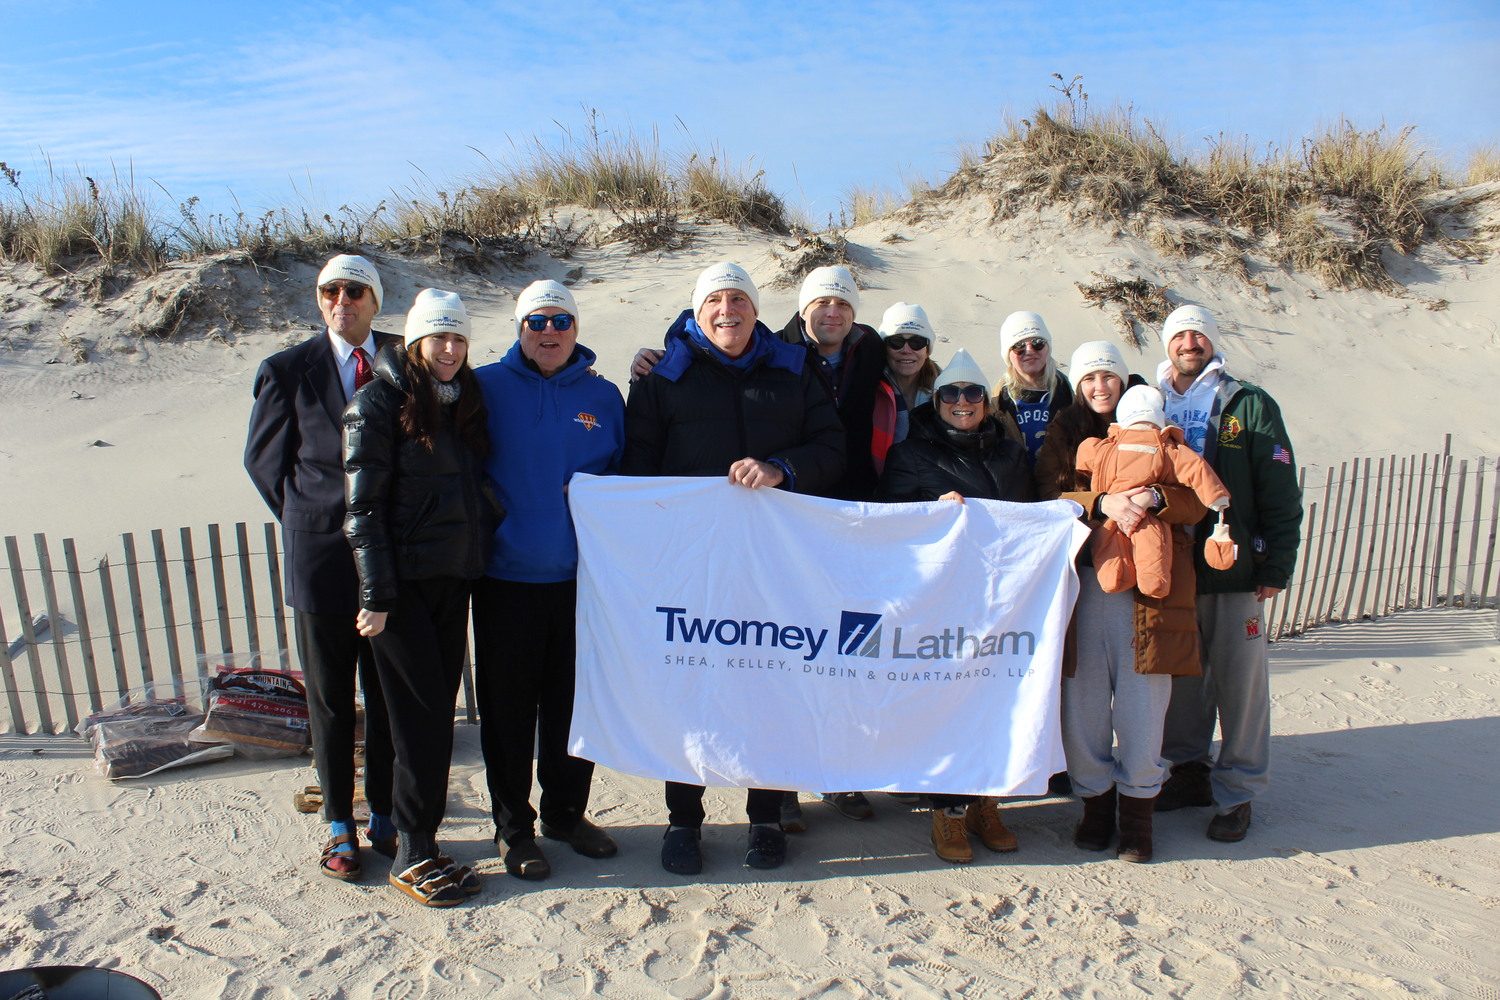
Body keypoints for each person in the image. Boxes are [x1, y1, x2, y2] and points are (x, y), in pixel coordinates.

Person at [622, 261, 845, 875]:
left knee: (769, 676)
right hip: (691, 562)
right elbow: (637, 467)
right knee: (688, 681)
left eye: (739, 300)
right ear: (696, 311)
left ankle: (767, 814)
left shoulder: (793, 369)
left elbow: (832, 449)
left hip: (774, 561)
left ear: (755, 309)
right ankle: (683, 820)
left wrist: (782, 468)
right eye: (715, 300)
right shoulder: (664, 375)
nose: (728, 311)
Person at [343, 289, 501, 906]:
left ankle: (420, 841)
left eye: (459, 338)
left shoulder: (462, 402)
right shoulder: (377, 403)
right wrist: (377, 593)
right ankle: (411, 850)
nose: (450, 350)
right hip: (400, 590)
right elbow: (362, 509)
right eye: (438, 337)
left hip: (450, 579)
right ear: (413, 341)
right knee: (420, 721)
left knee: (435, 712)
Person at [244, 253, 397, 883]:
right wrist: (313, 515)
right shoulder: (286, 370)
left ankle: (386, 813)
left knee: (388, 696)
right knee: (332, 701)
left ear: (374, 300)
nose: (342, 301)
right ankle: (339, 821)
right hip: (321, 561)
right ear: (319, 300)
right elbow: (264, 463)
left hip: (390, 561)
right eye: (330, 291)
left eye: (355, 290)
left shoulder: (402, 357)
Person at [1034, 341, 1210, 863]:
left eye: (1108, 376)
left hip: (1151, 591)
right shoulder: (1065, 433)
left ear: (1123, 381)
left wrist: (1154, 497)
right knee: (1083, 700)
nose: (1099, 387)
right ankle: (1094, 804)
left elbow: (1197, 494)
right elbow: (1046, 495)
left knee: (1142, 704)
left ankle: (1137, 815)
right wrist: (1101, 502)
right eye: (1089, 378)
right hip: (1085, 583)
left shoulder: (1158, 425)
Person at [472, 280, 625, 881]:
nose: (550, 332)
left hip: (581, 582)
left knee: (571, 707)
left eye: (561, 321)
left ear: (577, 329)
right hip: (504, 577)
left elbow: (625, 476)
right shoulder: (483, 387)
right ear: (520, 329)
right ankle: (513, 828)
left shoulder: (605, 396)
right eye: (537, 322)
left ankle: (565, 812)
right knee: (509, 712)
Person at [878, 348, 1037, 863]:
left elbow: (1032, 517)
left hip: (1000, 598)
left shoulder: (1011, 455)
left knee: (994, 699)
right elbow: (891, 519)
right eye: (951, 393)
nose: (962, 402)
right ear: (938, 400)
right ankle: (946, 813)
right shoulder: (913, 452)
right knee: (948, 702)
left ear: (987, 403)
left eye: (973, 393)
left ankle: (985, 803)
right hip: (942, 601)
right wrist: (931, 512)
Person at [1152, 305, 1302, 843]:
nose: (1189, 342)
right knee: (1182, 679)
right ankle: (1189, 772)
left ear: (1212, 342)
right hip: (1173, 568)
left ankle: (1238, 790)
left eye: (1199, 334)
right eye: (1179, 335)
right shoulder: (1151, 398)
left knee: (1241, 683)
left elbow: (1280, 489)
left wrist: (1277, 563)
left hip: (1235, 565)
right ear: (1166, 344)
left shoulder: (1247, 404)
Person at [1076, 384, 1232, 599]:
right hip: (1131, 516)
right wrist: (1217, 498)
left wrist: (1153, 497)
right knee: (1152, 546)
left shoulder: (1109, 446)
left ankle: (1118, 578)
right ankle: (1150, 582)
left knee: (1110, 542)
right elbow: (1196, 468)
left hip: (1131, 515)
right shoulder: (1167, 447)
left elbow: (1085, 454)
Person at [991, 311, 1074, 461]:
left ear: (1047, 348)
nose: (1029, 351)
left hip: (1060, 483)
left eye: (1037, 343)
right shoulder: (995, 403)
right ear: (1008, 354)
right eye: (1019, 346)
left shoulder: (1071, 396)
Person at [870, 302, 939, 474]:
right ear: (885, 348)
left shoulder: (947, 394)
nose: (906, 350)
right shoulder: (868, 389)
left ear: (927, 350)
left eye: (917, 342)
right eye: (896, 341)